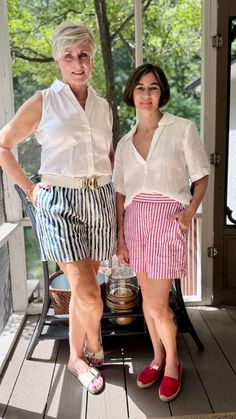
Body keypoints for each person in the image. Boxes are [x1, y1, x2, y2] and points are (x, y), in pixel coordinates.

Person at [0, 21, 116, 395]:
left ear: (92, 57)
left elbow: (107, 156)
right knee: (87, 293)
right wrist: (30, 188)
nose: (78, 63)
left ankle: (75, 359)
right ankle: (95, 346)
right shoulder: (43, 100)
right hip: (60, 202)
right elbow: (3, 146)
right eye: (69, 56)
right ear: (57, 61)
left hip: (99, 199)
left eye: (84, 55)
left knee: (88, 288)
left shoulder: (103, 106)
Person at [113, 63, 210, 402]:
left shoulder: (182, 129)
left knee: (155, 305)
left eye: (153, 87)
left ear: (161, 92)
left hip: (168, 221)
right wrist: (120, 237)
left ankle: (173, 364)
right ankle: (157, 357)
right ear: (131, 93)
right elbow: (121, 194)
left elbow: (201, 176)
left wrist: (189, 212)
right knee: (148, 305)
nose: (146, 94)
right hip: (137, 222)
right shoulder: (125, 143)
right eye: (140, 88)